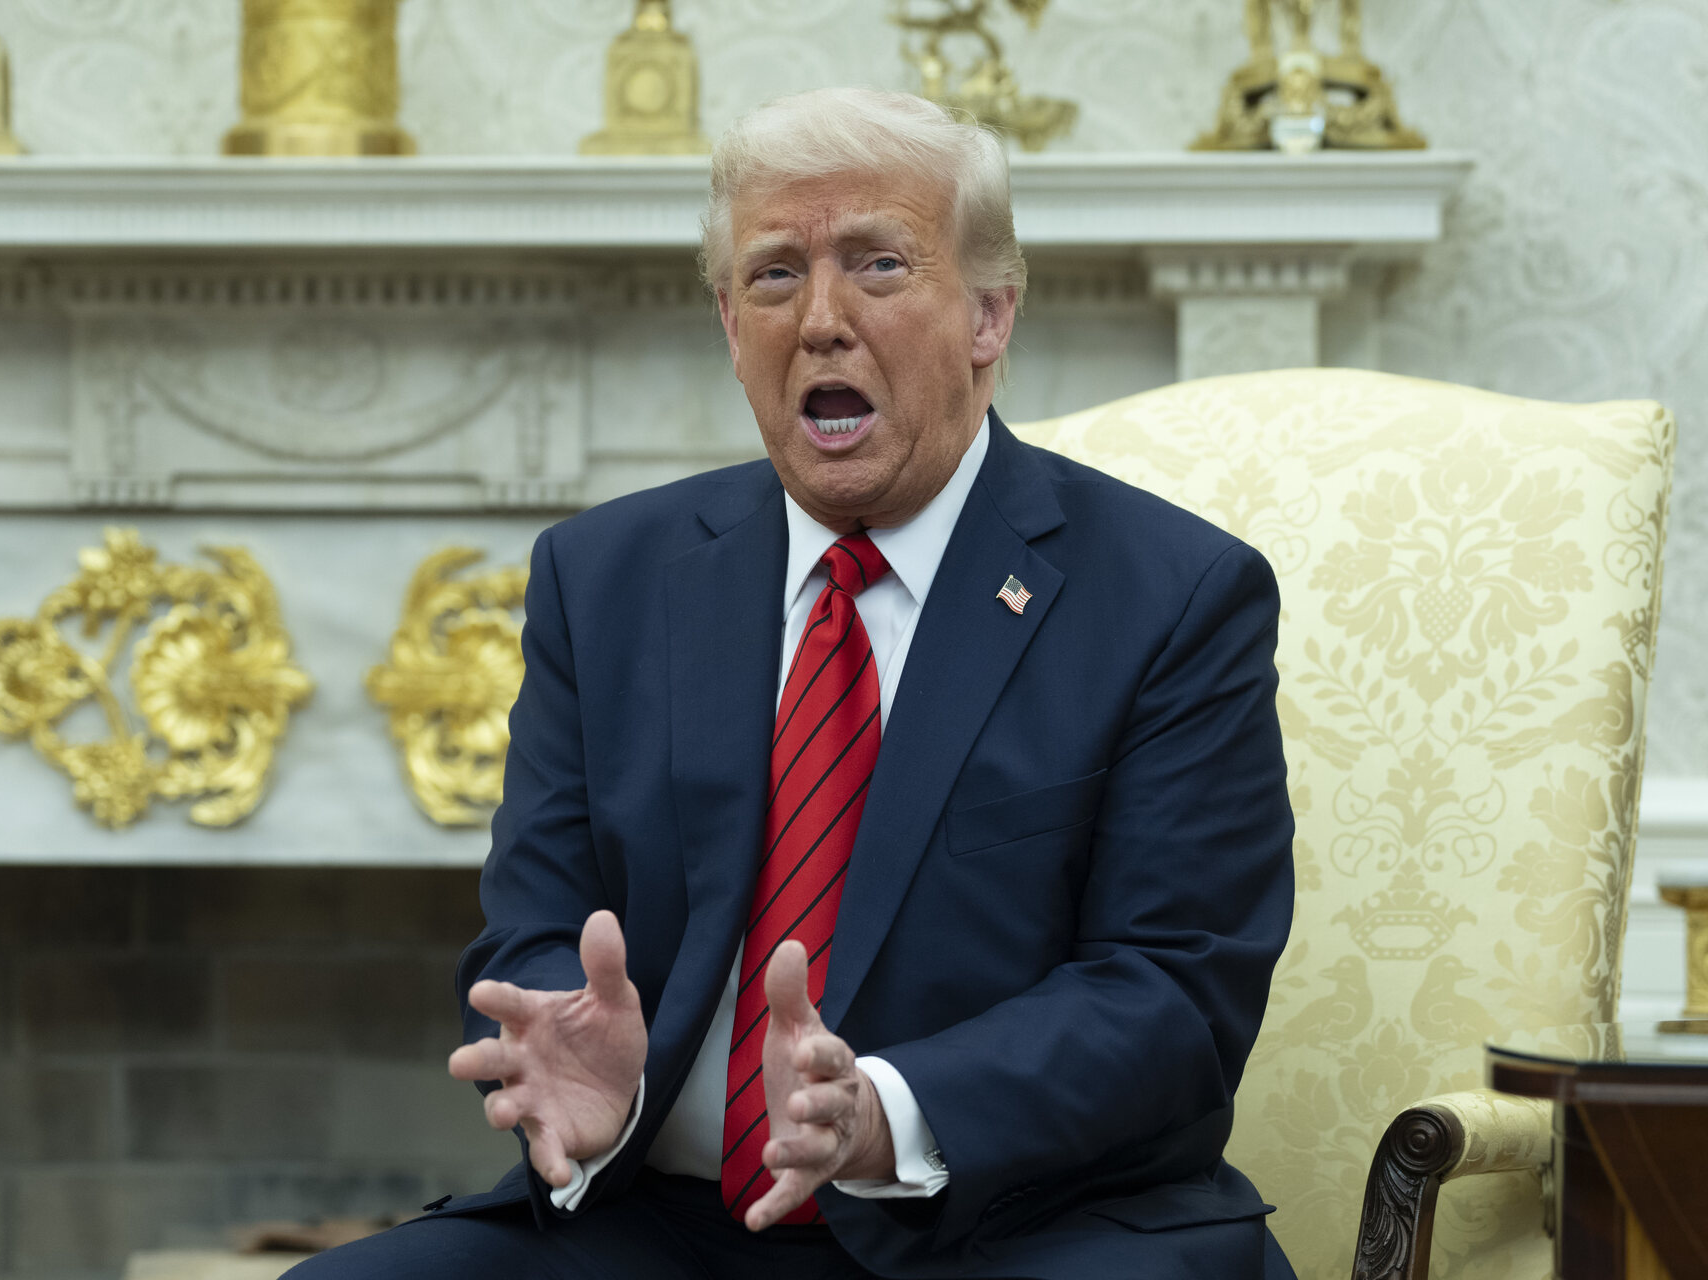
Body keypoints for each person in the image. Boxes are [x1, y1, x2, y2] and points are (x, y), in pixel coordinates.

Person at [292, 86, 1296, 1280]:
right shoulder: (604, 576)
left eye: (878, 264)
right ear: (728, 324)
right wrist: (583, 1047)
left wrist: (883, 1108)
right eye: (773, 276)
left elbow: (1174, 991)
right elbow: (540, 923)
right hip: (662, 1222)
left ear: (989, 314)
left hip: (1013, 1225)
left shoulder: (1171, 593)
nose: (820, 318)